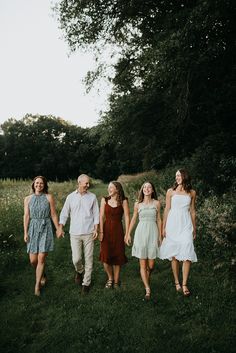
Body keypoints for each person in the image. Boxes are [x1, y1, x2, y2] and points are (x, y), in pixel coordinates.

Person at [58, 174, 99, 294]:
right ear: (79, 183)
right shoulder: (71, 197)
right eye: (86, 183)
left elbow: (96, 214)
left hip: (89, 232)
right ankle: (79, 271)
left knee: (89, 259)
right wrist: (61, 227)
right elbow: (64, 213)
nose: (88, 185)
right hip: (74, 233)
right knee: (76, 259)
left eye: (88, 183)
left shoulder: (92, 197)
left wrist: (96, 229)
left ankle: (86, 283)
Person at [159, 169, 197, 296]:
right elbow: (167, 210)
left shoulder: (192, 193)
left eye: (179, 175)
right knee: (174, 254)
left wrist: (194, 228)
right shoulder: (171, 191)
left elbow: (192, 211)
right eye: (176, 176)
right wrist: (163, 227)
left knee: (187, 251)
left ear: (185, 176)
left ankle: (184, 284)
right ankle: (176, 281)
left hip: (186, 224)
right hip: (172, 224)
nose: (177, 177)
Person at [23, 176, 61, 296]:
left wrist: (58, 228)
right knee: (33, 260)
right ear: (33, 184)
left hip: (46, 227)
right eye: (37, 183)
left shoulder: (49, 197)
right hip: (33, 228)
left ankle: (37, 285)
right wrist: (25, 232)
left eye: (41, 183)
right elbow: (26, 216)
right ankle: (42, 274)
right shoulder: (27, 199)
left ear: (44, 185)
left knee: (41, 258)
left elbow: (53, 214)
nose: (39, 185)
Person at [125, 181, 162, 300]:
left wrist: (160, 236)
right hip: (141, 233)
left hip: (153, 232)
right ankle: (147, 288)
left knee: (151, 265)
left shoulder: (157, 203)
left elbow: (159, 220)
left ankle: (147, 272)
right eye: (144, 187)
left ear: (152, 190)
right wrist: (128, 234)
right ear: (142, 190)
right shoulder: (138, 204)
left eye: (149, 187)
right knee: (142, 263)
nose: (146, 189)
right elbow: (134, 219)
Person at [99, 181, 130, 289]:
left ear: (117, 189)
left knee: (118, 256)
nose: (109, 189)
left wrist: (127, 233)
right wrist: (101, 232)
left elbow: (126, 217)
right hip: (106, 229)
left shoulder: (124, 201)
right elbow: (101, 216)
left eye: (111, 187)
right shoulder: (104, 200)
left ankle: (116, 281)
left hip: (118, 230)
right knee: (105, 257)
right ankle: (110, 278)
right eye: (108, 187)